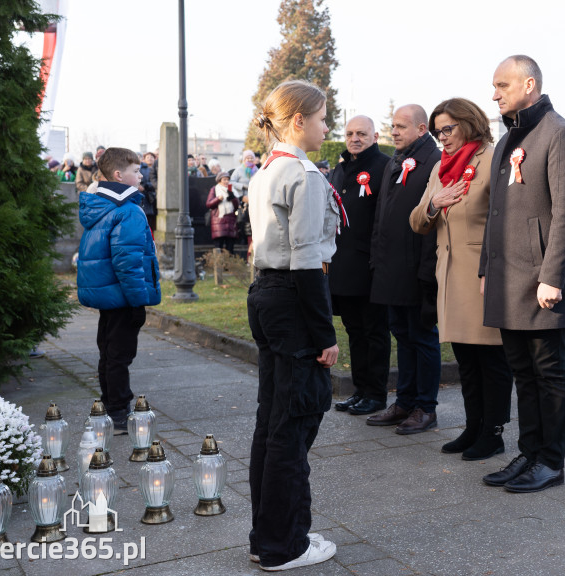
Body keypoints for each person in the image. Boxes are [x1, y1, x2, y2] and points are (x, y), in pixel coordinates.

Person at [479, 55, 565, 493]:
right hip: (507, 280)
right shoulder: (509, 139)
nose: (495, 93)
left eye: (502, 85)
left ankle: (551, 461)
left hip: (541, 280)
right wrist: (487, 267)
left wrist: (553, 276)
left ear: (529, 84)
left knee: (549, 372)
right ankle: (528, 452)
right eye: (493, 86)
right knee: (522, 372)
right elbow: (496, 213)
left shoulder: (559, 134)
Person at [246, 80, 339, 571]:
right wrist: (324, 335)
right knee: (293, 422)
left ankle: (269, 535)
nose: (328, 126)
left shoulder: (266, 171)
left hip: (267, 294)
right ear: (299, 120)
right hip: (292, 296)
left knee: (274, 420)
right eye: (323, 117)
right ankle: (286, 546)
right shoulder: (304, 175)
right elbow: (306, 261)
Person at [410, 98, 514, 460]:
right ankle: (473, 427)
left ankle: (493, 432)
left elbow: (505, 219)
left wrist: (493, 268)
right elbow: (417, 220)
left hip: (482, 273)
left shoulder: (494, 157)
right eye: (438, 131)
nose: (442, 138)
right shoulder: (441, 167)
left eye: (448, 129)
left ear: (469, 123)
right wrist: (434, 202)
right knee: (466, 359)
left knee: (491, 358)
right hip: (449, 273)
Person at [366, 104, 442, 435]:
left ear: (422, 129)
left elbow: (432, 221)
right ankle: (405, 401)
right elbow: (382, 213)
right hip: (390, 267)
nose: (394, 131)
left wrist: (427, 272)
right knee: (402, 335)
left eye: (401, 126)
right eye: (392, 126)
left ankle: (425, 407)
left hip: (416, 269)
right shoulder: (394, 161)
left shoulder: (433, 162)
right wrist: (376, 258)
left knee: (422, 338)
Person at [76, 147, 161, 433]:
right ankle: (119, 411)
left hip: (109, 296)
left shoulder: (100, 207)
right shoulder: (128, 211)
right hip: (124, 297)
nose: (141, 175)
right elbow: (128, 262)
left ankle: (109, 403)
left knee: (109, 352)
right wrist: (138, 302)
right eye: (136, 171)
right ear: (118, 175)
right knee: (119, 355)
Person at [329, 116, 392, 417]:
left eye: (362, 134)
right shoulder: (340, 169)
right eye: (350, 133)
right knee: (354, 331)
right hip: (344, 264)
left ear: (375, 135)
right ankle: (360, 390)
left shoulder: (384, 166)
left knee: (375, 332)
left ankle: (376, 395)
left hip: (371, 265)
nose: (355, 138)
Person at [205, 171, 241, 255]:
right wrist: (218, 199)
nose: (226, 181)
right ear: (219, 180)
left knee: (230, 248)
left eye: (228, 179)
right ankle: (219, 266)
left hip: (231, 221)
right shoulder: (214, 189)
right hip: (219, 221)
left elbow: (237, 206)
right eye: (224, 179)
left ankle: (229, 266)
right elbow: (209, 204)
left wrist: (232, 197)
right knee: (218, 247)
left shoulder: (232, 190)